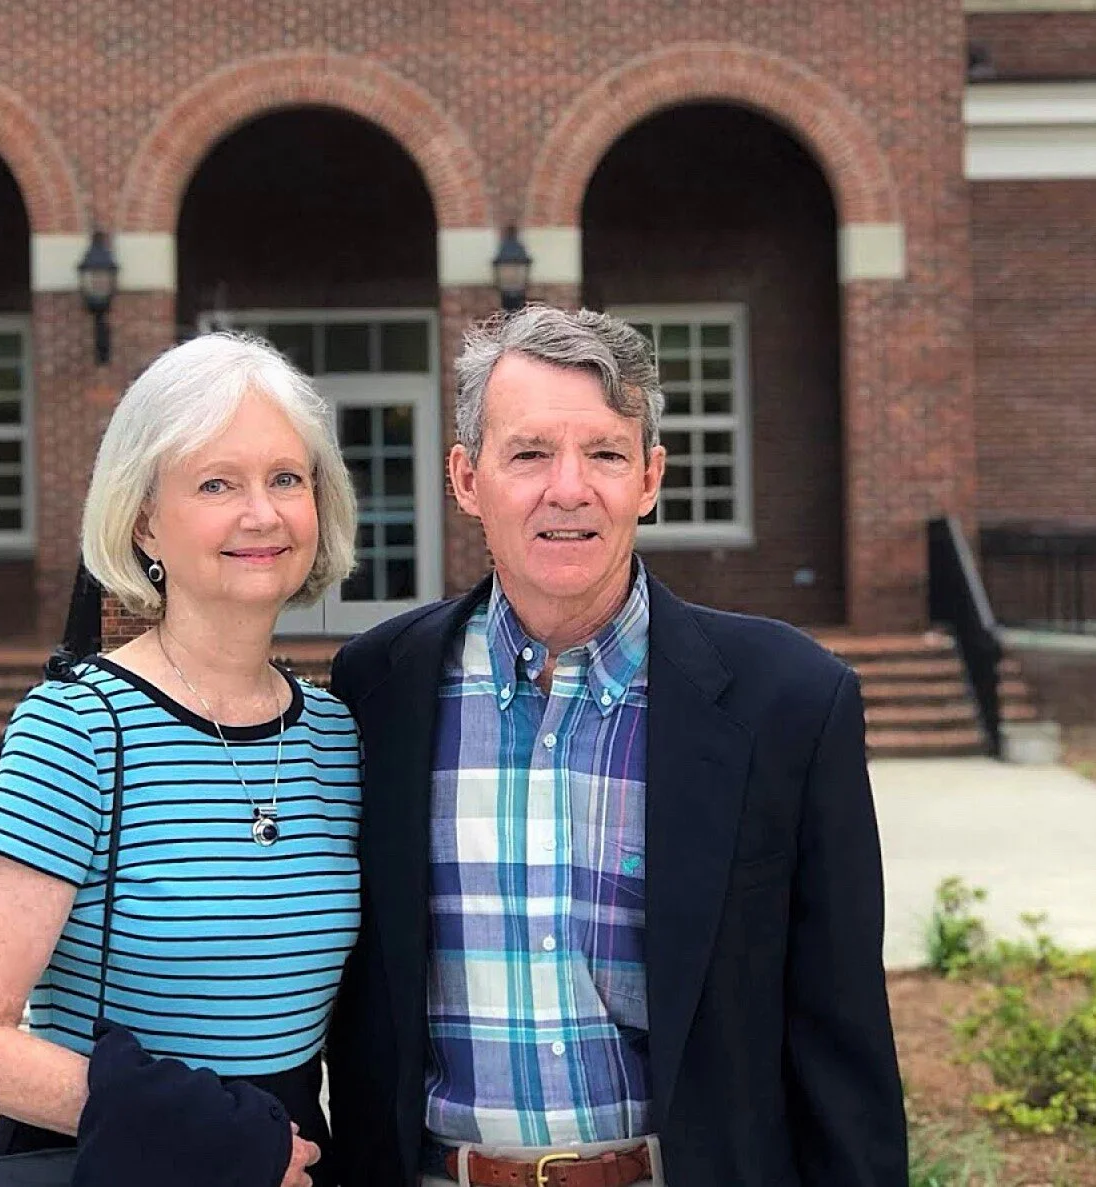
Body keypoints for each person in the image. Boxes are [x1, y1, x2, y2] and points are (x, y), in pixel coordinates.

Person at [325, 306, 907, 1187]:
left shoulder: (790, 700)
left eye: (602, 453)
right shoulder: (377, 691)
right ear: (465, 476)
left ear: (648, 476)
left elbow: (843, 1036)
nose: (568, 488)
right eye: (527, 453)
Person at [0, 333, 362, 1187]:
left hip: (294, 1163)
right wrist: (209, 1133)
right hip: (124, 1158)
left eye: (285, 478)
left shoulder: (336, 736)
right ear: (144, 518)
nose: (261, 513)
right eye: (215, 482)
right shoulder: (77, 729)